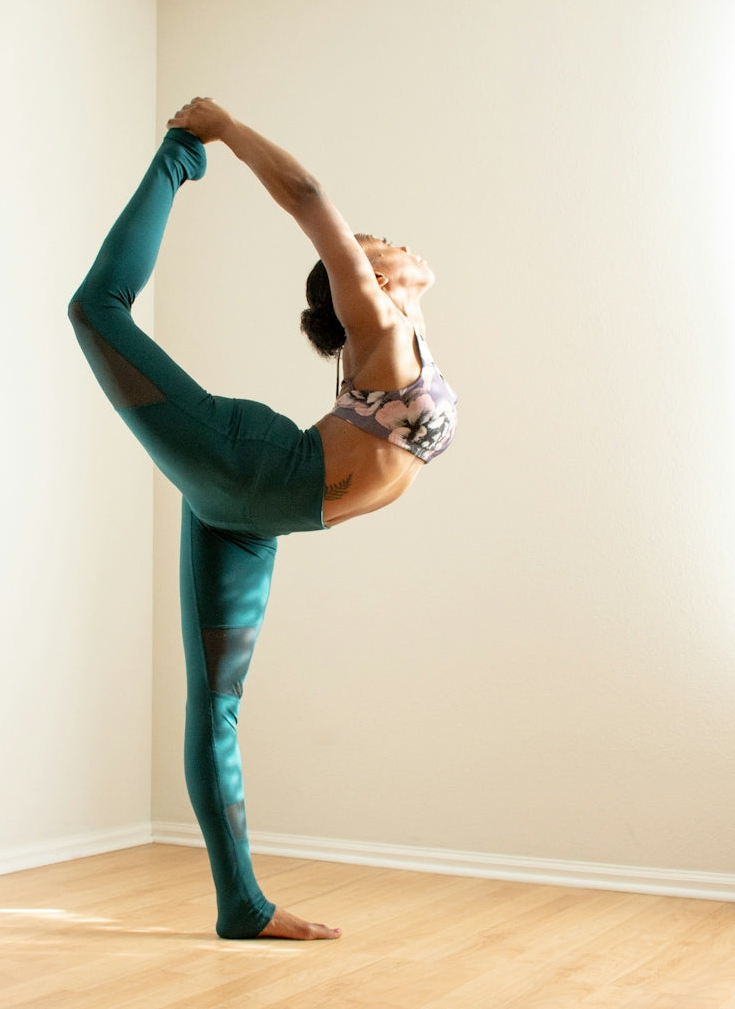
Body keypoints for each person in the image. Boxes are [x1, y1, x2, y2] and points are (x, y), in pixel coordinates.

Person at [68, 98, 456, 941]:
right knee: (95, 310)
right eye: (371, 242)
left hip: (254, 510)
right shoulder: (377, 322)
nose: (385, 239)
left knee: (217, 706)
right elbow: (307, 193)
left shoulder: (402, 327)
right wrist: (221, 127)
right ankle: (177, 157)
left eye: (374, 240)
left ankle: (241, 906)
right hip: (248, 467)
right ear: (368, 276)